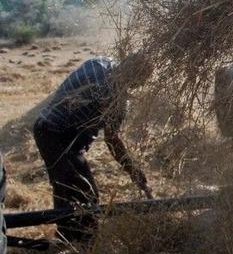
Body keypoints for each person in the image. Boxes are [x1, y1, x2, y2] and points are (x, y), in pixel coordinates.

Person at [32, 54, 153, 241]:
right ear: (126, 68)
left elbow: (112, 139)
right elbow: (100, 96)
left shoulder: (119, 100)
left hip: (73, 144)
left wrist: (133, 170)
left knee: (79, 191)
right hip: (50, 132)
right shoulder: (98, 69)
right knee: (78, 188)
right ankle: (77, 241)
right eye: (136, 78)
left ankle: (73, 239)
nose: (135, 85)